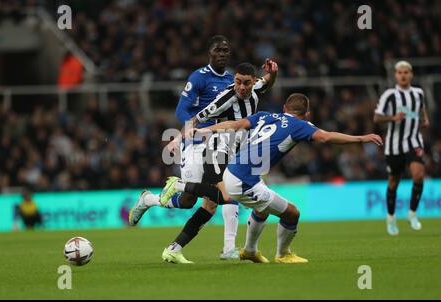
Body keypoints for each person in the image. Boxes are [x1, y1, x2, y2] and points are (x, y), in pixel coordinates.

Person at [161, 93, 382, 263]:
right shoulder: (300, 125)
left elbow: (234, 125)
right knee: (292, 213)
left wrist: (204, 130)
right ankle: (283, 254)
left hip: (235, 170)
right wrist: (361, 138)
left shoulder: (265, 115)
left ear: (285, 108)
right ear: (307, 114)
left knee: (258, 207)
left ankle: (249, 251)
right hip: (245, 179)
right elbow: (325, 137)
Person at [131, 60, 278, 263]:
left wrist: (273, 72)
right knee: (229, 196)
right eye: (238, 82)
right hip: (216, 151)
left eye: (247, 83)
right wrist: (177, 139)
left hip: (235, 153)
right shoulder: (226, 98)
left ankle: (172, 245)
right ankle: (228, 248)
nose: (242, 87)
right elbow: (197, 118)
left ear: (253, 82)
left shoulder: (256, 88)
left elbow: (267, 81)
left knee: (201, 204)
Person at [129, 35, 237, 259]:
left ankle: (225, 249)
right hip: (197, 143)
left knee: (216, 199)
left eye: (226, 50)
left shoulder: (233, 80)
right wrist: (194, 131)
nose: (223, 54)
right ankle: (149, 199)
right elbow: (181, 111)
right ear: (210, 53)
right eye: (218, 50)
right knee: (189, 201)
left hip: (221, 144)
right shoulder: (199, 77)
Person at [374, 60, 430, 236]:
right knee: (393, 182)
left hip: (414, 141)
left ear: (411, 74)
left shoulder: (418, 93)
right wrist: (393, 118)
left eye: (406, 72)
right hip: (394, 145)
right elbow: (377, 118)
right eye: (400, 72)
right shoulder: (389, 95)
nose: (403, 75)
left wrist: (425, 119)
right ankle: (391, 218)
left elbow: (422, 108)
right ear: (395, 75)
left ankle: (412, 213)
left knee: (419, 175)